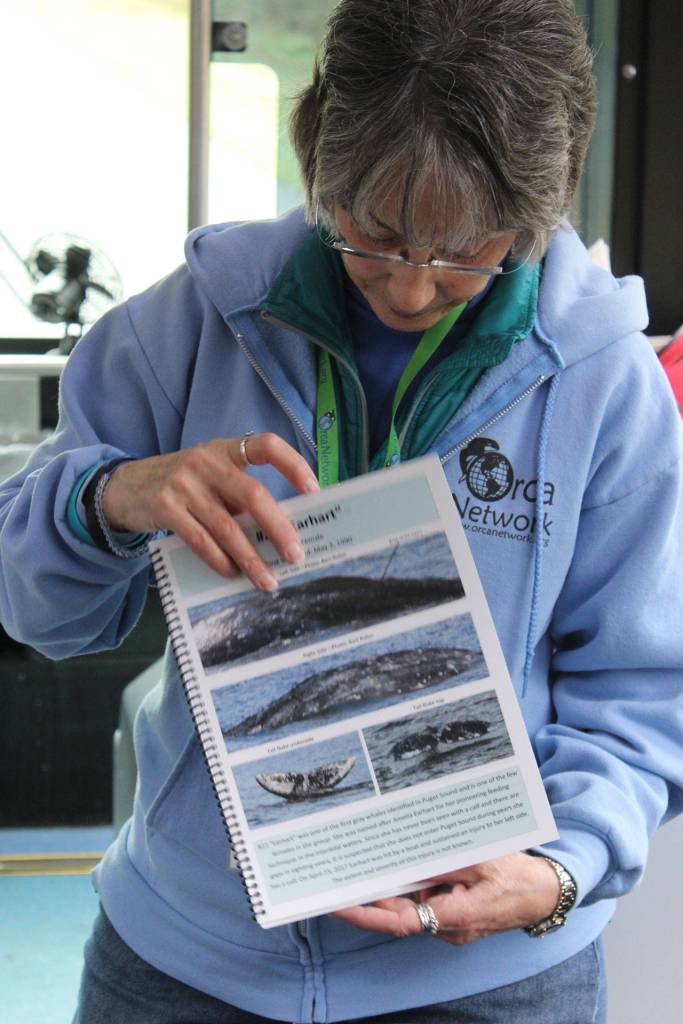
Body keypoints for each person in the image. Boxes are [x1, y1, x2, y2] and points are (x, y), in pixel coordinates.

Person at [1, 1, 682, 1021]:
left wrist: (561, 865)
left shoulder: (603, 383)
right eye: (375, 233)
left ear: (536, 211)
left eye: (465, 250)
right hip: (187, 956)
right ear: (318, 162)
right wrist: (106, 500)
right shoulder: (179, 329)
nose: (408, 289)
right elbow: (36, 613)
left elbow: (643, 687)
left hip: (485, 975)